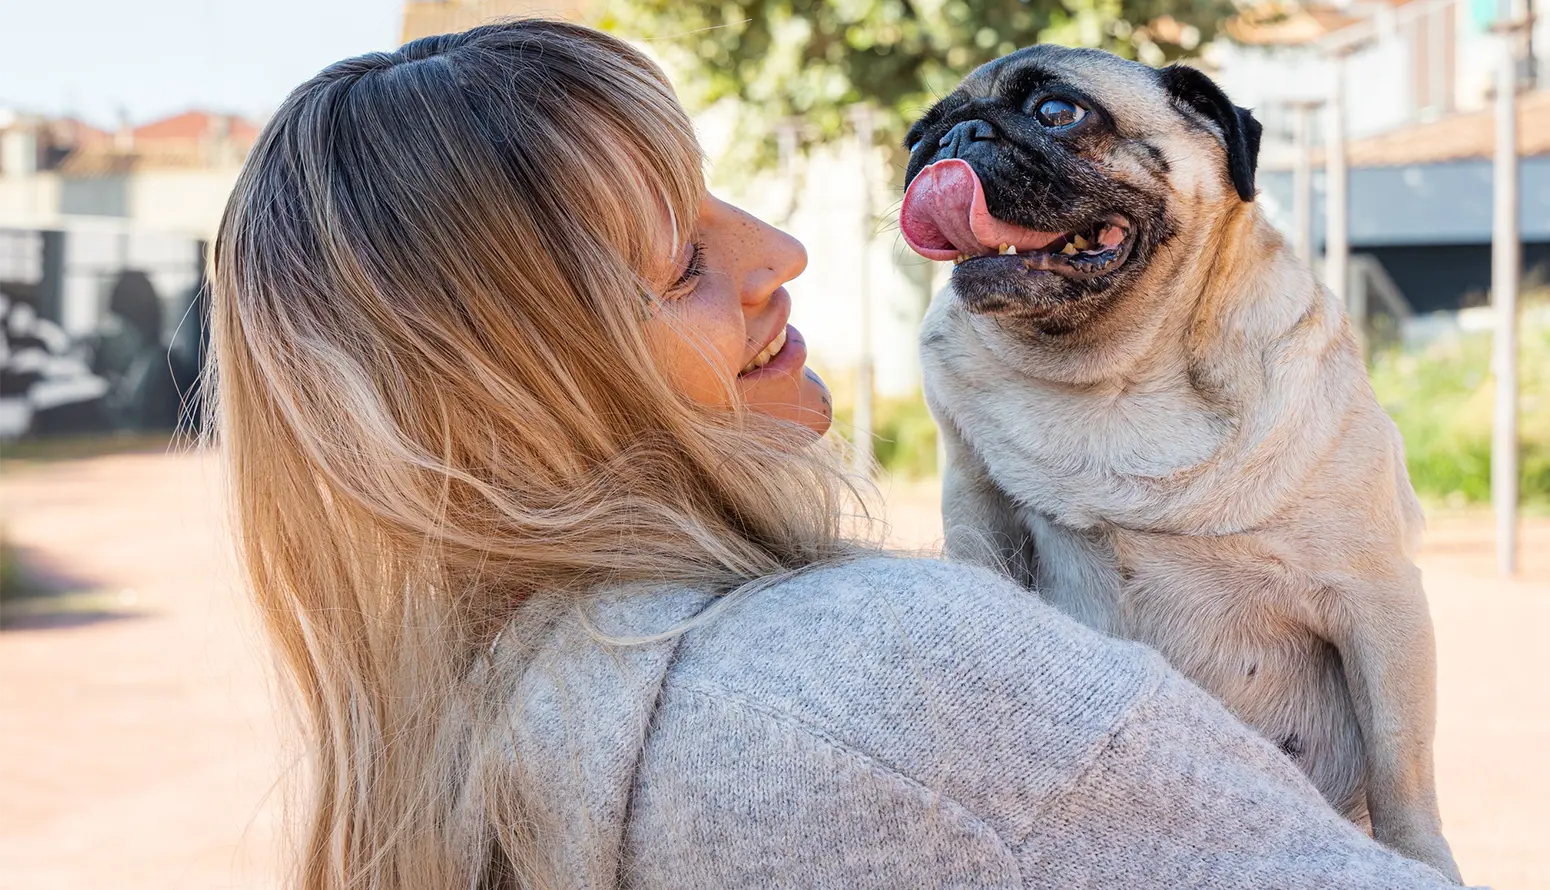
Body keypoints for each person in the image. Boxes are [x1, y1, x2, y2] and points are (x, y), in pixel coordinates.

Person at [210, 20, 1468, 890]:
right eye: (683, 261)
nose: (780, 252)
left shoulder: (481, 721)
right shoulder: (879, 667)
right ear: (514, 389)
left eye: (720, 196)